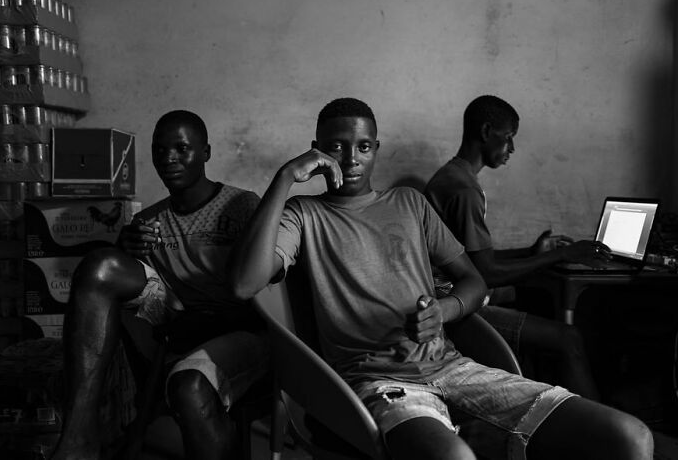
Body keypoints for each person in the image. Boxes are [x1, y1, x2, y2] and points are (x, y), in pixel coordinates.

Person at [230, 97, 653, 460]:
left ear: (376, 149)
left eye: (362, 147)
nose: (350, 159)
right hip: (381, 383)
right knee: (454, 457)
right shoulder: (304, 215)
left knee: (630, 437)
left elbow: (474, 281)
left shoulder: (409, 204)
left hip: (454, 367)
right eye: (335, 147)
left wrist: (444, 311)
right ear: (316, 151)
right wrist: (285, 178)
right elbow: (245, 285)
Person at [51, 110, 268, 460]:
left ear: (206, 152)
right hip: (176, 324)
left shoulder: (242, 205)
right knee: (101, 265)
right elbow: (144, 299)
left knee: (189, 386)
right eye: (159, 149)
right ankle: (79, 440)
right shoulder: (146, 222)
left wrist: (213, 322)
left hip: (239, 329)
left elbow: (266, 294)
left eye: (181, 149)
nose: (168, 159)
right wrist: (123, 250)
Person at [424, 95, 608, 400]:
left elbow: (473, 259)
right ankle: (598, 428)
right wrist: (561, 254)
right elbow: (485, 273)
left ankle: (555, 408)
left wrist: (531, 252)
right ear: (486, 132)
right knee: (569, 338)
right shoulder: (464, 189)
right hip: (459, 310)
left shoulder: (452, 176)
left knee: (537, 304)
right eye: (508, 137)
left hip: (455, 298)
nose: (512, 148)